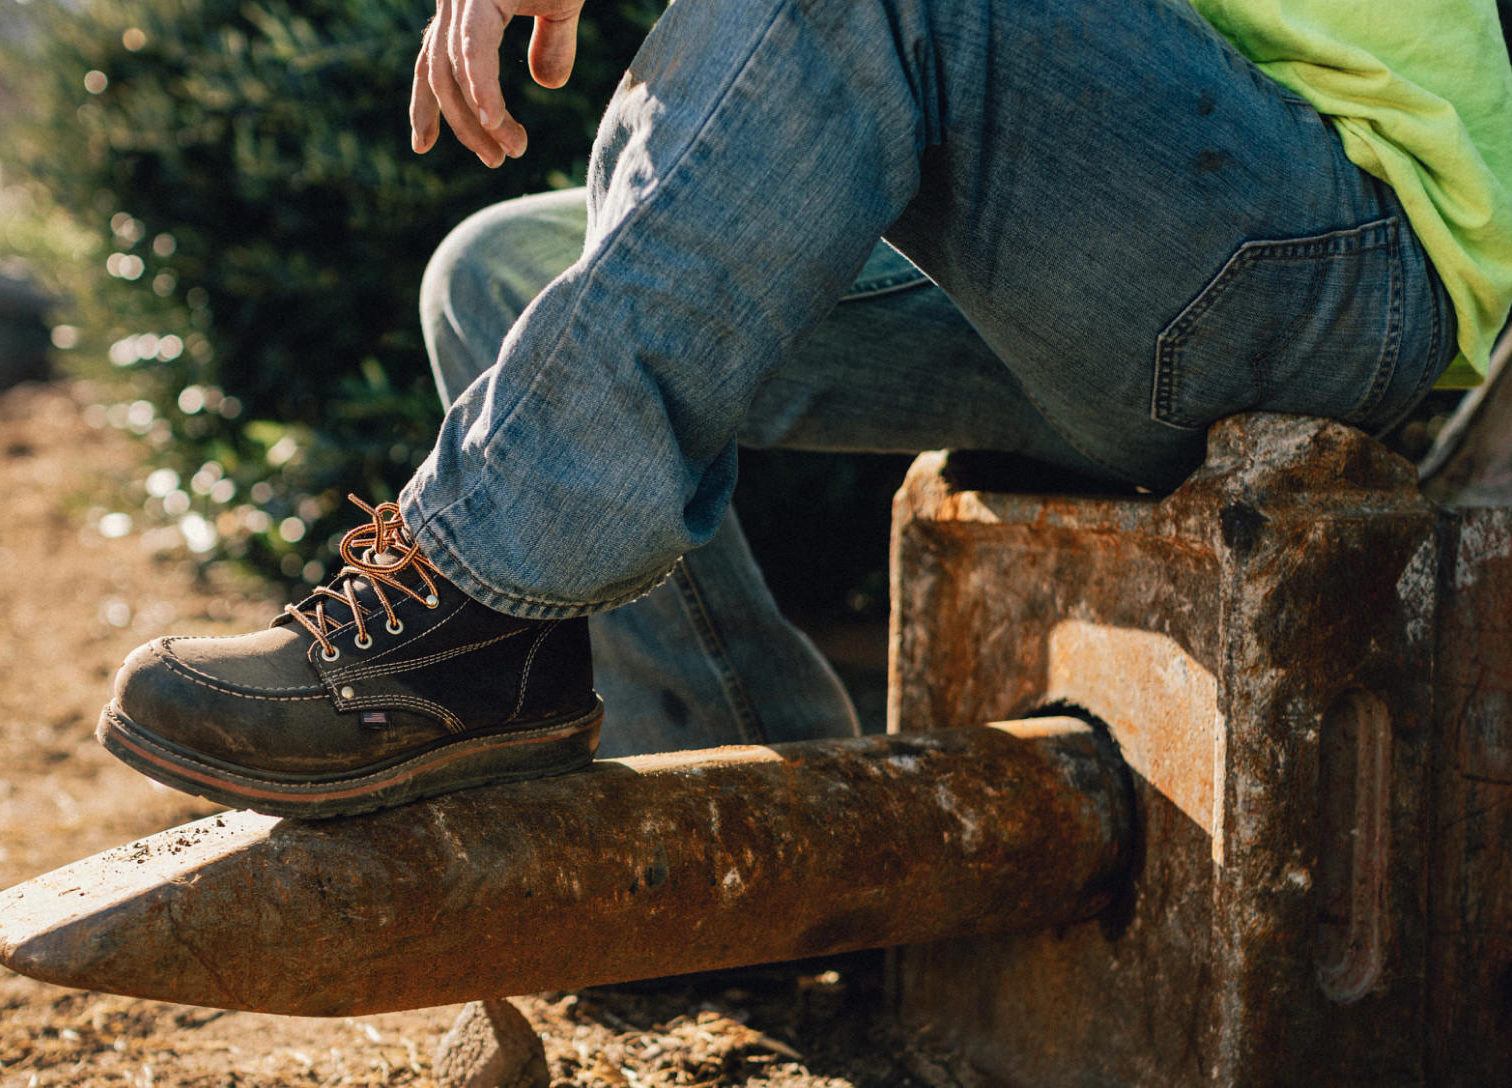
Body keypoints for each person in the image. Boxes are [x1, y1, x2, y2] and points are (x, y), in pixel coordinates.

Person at [95, 0, 1512, 818]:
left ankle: (465, 604)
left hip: (1338, 269)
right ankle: (726, 804)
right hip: (1105, 284)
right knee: (500, 274)